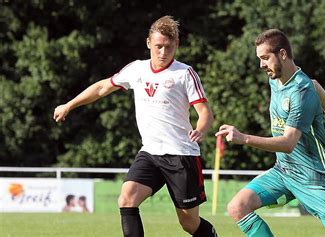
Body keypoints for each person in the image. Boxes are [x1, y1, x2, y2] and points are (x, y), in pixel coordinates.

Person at [53, 16, 217, 237]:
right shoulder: (137, 69)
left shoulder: (184, 73)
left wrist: (201, 129)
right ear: (148, 43)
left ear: (176, 45)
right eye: (158, 46)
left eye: (168, 47)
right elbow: (103, 87)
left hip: (181, 155)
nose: (163, 52)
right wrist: (69, 105)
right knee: (127, 198)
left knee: (188, 223)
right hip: (150, 152)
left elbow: (205, 112)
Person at [215, 29, 325, 237]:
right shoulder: (277, 78)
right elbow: (316, 84)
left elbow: (288, 142)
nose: (261, 65)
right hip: (284, 171)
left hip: (313, 177)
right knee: (238, 206)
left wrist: (244, 138)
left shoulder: (301, 92)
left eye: (265, 58)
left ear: (282, 54)